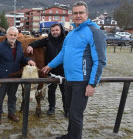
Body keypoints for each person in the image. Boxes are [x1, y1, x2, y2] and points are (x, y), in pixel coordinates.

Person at [41, 1, 107, 139]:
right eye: (75, 13)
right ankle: (70, 135)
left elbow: (100, 60)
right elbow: (63, 53)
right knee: (70, 111)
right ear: (72, 15)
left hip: (82, 81)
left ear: (87, 14)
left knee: (76, 115)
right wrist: (50, 65)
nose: (78, 15)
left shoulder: (94, 32)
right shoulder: (70, 34)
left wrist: (92, 84)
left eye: (81, 13)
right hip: (68, 79)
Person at [0, 26, 36, 125]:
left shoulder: (19, 45)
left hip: (14, 75)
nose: (12, 37)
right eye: (10, 35)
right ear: (6, 35)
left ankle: (11, 113)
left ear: (17, 36)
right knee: (0, 97)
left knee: (12, 96)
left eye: (15, 35)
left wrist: (28, 60)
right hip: (3, 76)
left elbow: (21, 58)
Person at [26, 23, 67, 117]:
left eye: (57, 30)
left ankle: (67, 109)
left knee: (65, 91)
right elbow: (37, 42)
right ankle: (51, 108)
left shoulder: (66, 40)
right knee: (51, 91)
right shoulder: (48, 40)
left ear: (61, 30)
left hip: (63, 70)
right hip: (51, 71)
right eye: (52, 30)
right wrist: (30, 45)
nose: (55, 32)